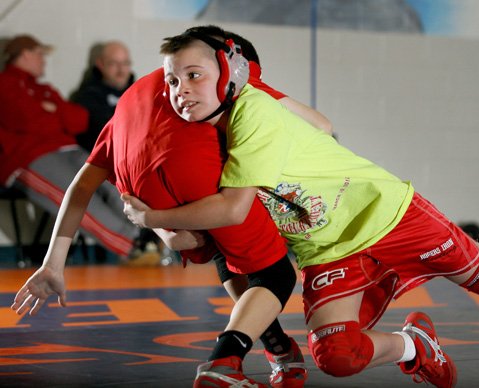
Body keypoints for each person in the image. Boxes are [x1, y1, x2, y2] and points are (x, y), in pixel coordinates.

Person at [121, 28, 479, 388]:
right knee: (337, 356)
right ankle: (415, 345)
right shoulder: (200, 135)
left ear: (234, 73)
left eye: (193, 75)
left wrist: (151, 219)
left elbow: (230, 209)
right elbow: (322, 127)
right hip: (326, 246)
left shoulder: (254, 111)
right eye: (170, 80)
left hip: (385, 215)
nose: (179, 90)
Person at [10, 60, 313, 388]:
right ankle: (224, 361)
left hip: (143, 183)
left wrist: (54, 264)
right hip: (197, 180)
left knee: (222, 249)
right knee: (275, 274)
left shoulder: (133, 104)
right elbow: (315, 125)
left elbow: (81, 187)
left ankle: (277, 347)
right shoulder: (226, 71)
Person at [0, 34, 159, 265]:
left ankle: (148, 236)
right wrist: (55, 113)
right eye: (40, 55)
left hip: (67, 149)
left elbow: (79, 120)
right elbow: (26, 121)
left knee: (111, 184)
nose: (44, 61)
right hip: (28, 157)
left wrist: (49, 111)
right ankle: (134, 246)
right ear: (25, 55)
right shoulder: (5, 84)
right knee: (75, 200)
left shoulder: (44, 89)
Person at [71, 40, 134, 152]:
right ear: (100, 64)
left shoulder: (139, 93)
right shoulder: (87, 96)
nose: (121, 70)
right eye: (113, 63)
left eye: (125, 63)